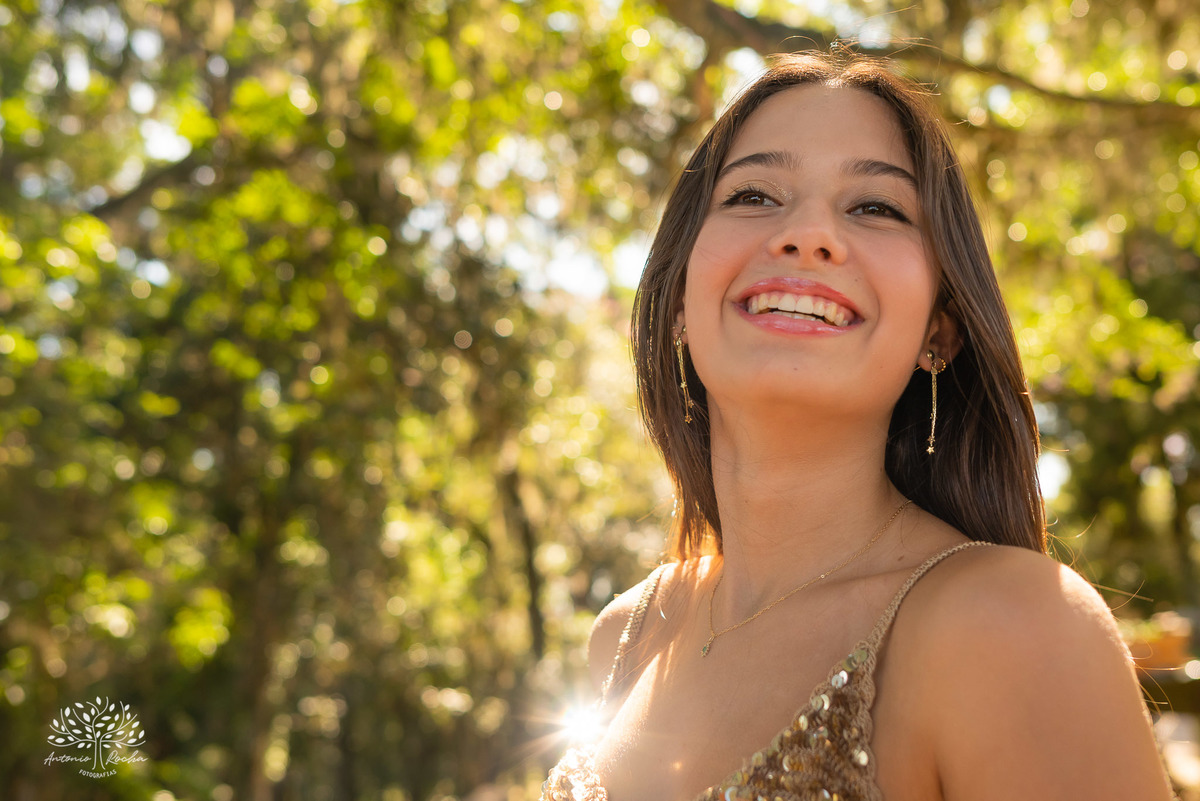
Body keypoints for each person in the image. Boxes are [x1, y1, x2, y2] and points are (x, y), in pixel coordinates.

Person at [541, 51, 1176, 801]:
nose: (808, 234)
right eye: (752, 194)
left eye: (875, 207)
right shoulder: (625, 636)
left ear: (940, 328)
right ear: (679, 295)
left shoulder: (1015, 624)